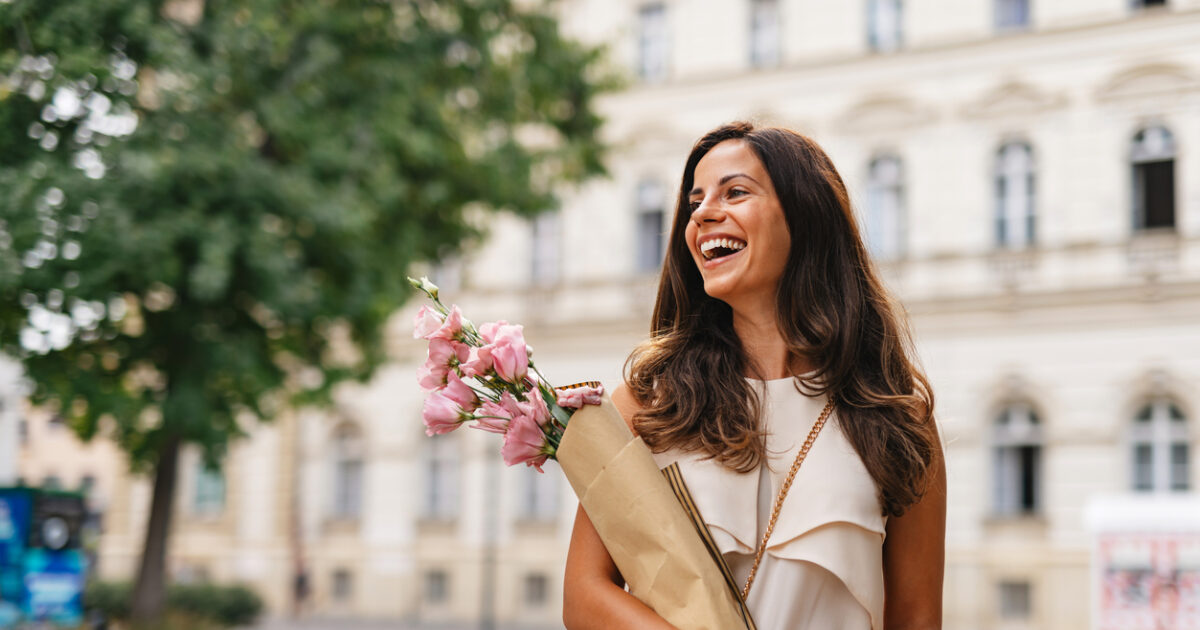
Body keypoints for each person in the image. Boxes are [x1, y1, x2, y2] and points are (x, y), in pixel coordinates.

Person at [563, 122, 945, 630]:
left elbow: (917, 617)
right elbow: (584, 595)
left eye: (735, 191)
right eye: (695, 201)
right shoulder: (649, 402)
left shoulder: (897, 415)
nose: (702, 213)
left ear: (804, 215)